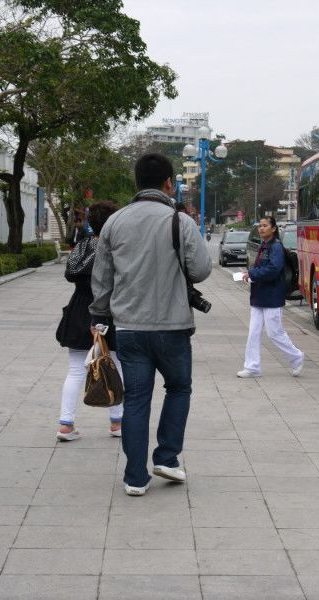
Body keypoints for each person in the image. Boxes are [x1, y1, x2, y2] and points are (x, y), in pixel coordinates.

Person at [90, 153, 212, 497]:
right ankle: (167, 457)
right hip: (173, 327)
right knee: (178, 388)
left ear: (136, 182)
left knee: (136, 400)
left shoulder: (114, 222)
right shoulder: (181, 222)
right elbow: (201, 270)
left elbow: (102, 280)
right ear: (169, 184)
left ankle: (134, 477)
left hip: (129, 328)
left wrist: (99, 317)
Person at [55, 200, 122, 441]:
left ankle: (66, 425)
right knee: (115, 365)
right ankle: (117, 423)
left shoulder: (83, 245)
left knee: (74, 370)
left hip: (79, 308)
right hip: (109, 310)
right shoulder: (116, 247)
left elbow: (70, 273)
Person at [238, 216, 304, 379]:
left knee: (274, 332)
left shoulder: (276, 247)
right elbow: (264, 268)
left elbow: (274, 269)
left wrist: (252, 273)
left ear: (273, 229)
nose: (261, 229)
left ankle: (296, 357)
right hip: (259, 296)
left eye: (265, 226)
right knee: (253, 332)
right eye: (259, 226)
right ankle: (252, 367)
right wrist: (251, 274)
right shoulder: (264, 245)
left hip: (272, 297)